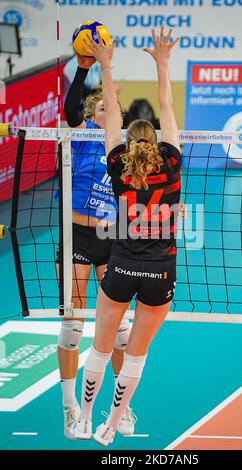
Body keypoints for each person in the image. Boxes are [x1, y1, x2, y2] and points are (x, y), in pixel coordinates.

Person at [71, 27, 181, 446]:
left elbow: (111, 117)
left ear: (129, 144)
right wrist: (163, 63)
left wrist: (104, 62)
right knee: (135, 356)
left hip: (120, 266)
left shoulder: (116, 164)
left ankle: (83, 418)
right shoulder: (171, 162)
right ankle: (111, 427)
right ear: (155, 141)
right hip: (160, 272)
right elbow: (168, 108)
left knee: (100, 349)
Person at [57, 52, 136, 439]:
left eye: (113, 107)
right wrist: (84, 66)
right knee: (73, 323)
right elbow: (71, 106)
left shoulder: (121, 147)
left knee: (120, 329)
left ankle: (122, 406)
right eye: (102, 105)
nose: (108, 110)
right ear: (93, 113)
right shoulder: (81, 132)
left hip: (110, 237)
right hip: (75, 234)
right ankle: (71, 407)